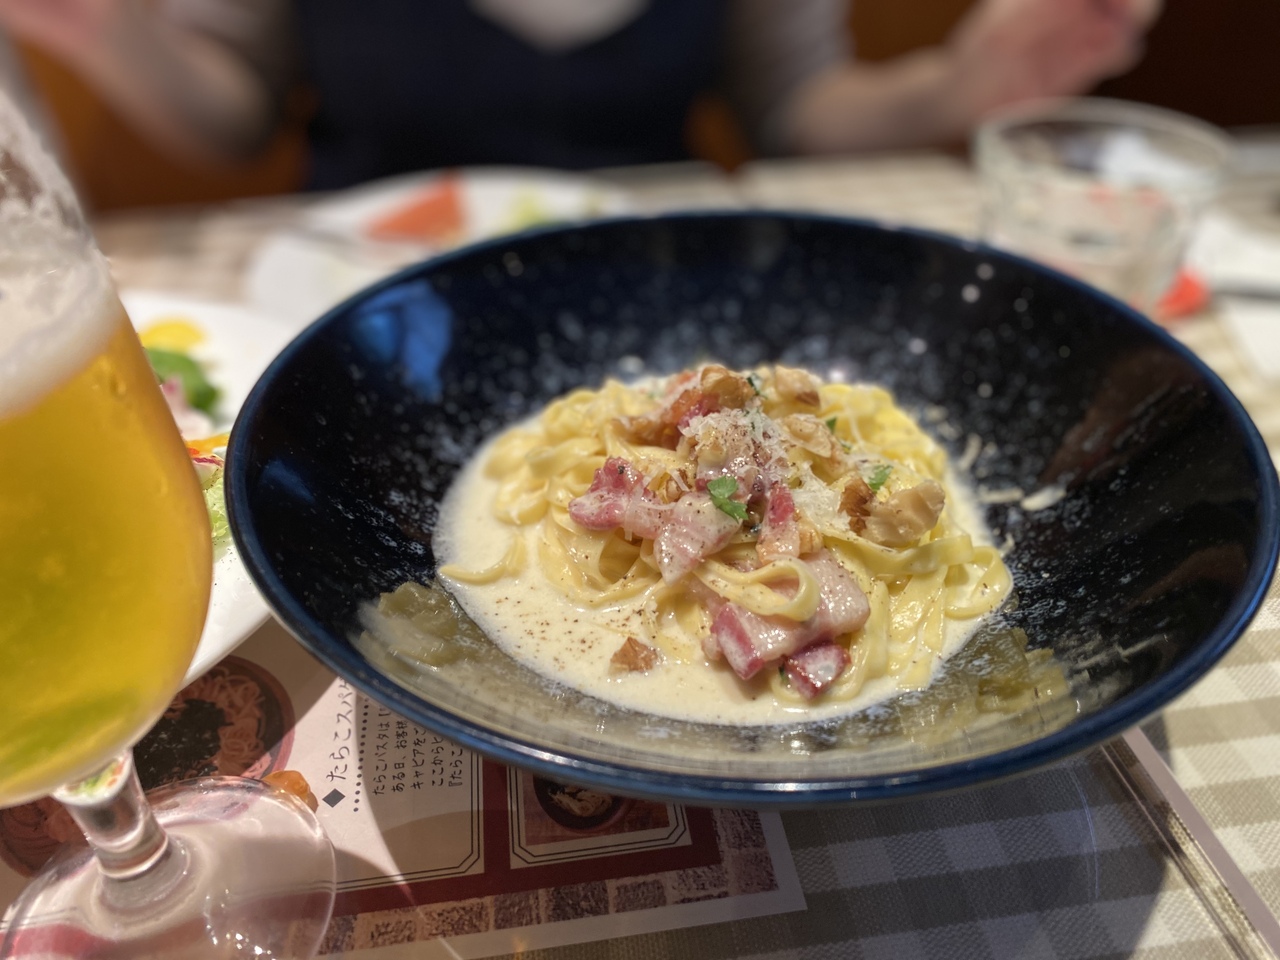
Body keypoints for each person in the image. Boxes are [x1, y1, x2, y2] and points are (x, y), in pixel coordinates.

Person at [0, 0, 1160, 190]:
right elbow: (231, 116)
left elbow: (799, 110)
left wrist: (967, 83)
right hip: (353, 292)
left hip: (643, 283)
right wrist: (106, 28)